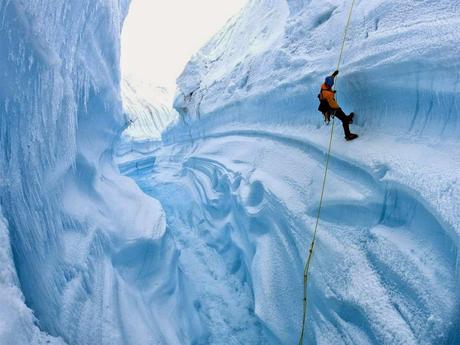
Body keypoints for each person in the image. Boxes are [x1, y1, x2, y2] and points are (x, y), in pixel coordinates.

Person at [318, 70, 358, 141]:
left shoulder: (324, 85)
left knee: (342, 114)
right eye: (331, 85)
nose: (331, 86)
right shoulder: (328, 94)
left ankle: (347, 119)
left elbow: (331, 78)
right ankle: (348, 135)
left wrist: (334, 74)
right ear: (328, 84)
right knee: (344, 119)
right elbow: (332, 103)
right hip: (332, 108)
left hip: (331, 105)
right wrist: (332, 93)